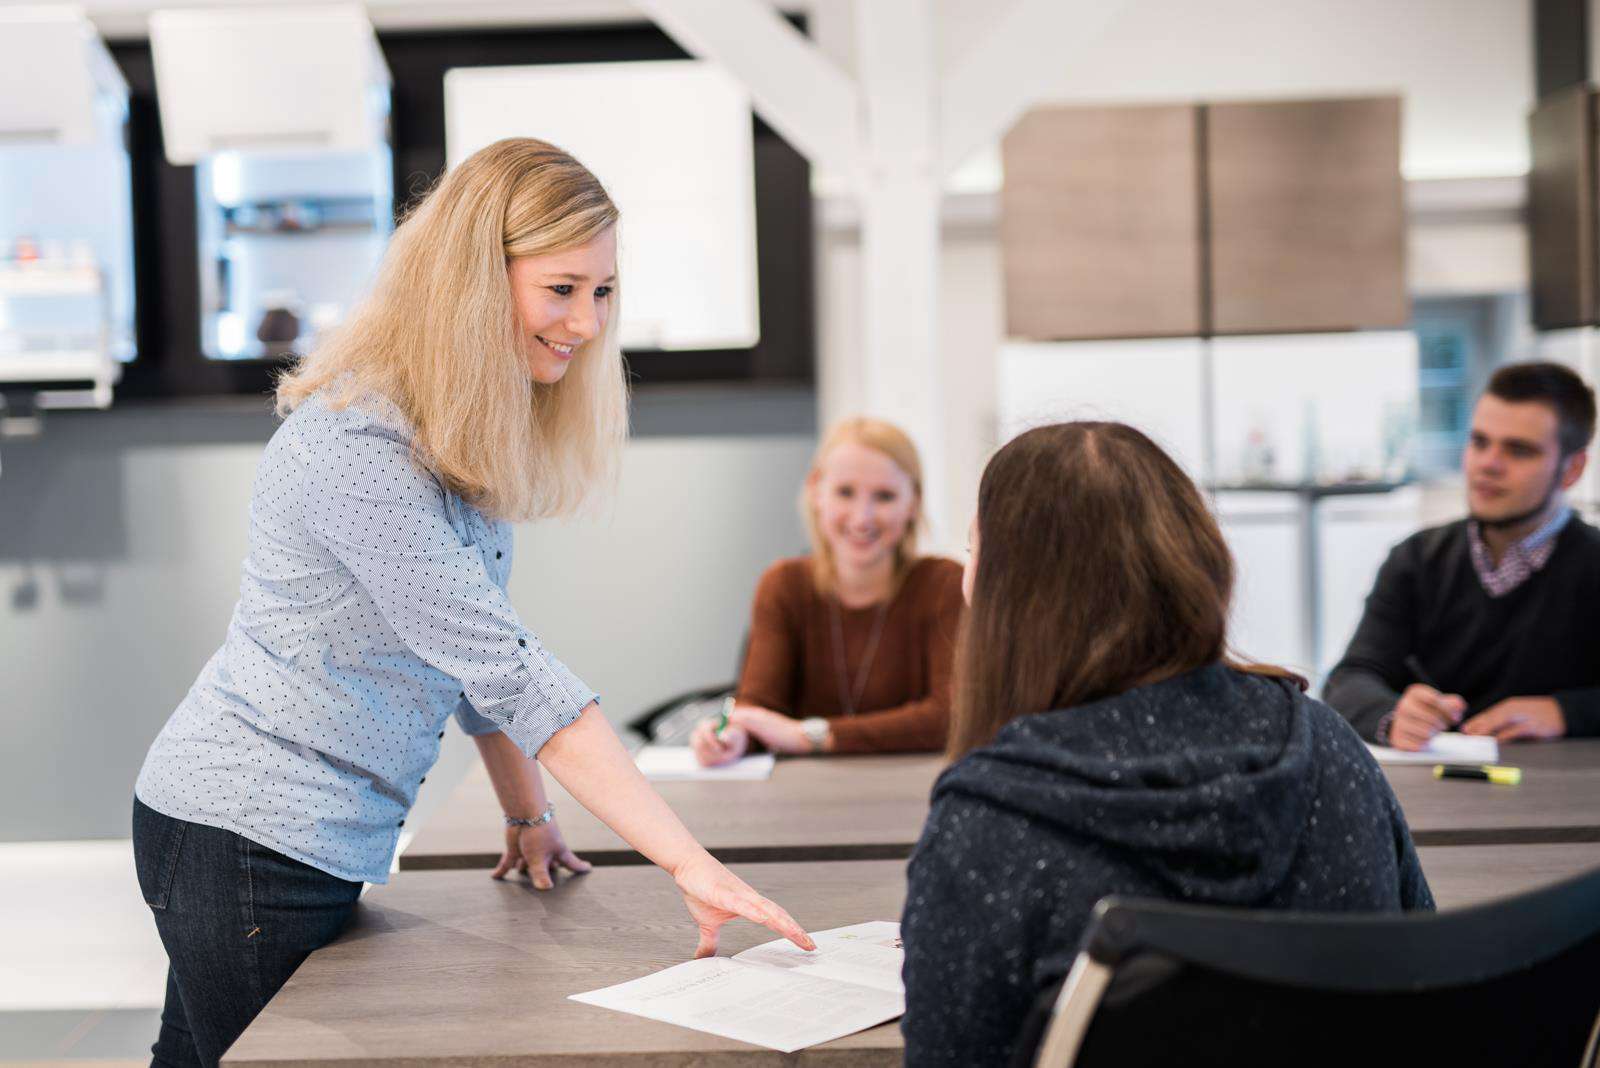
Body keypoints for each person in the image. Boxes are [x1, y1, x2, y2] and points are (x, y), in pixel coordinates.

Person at [131, 138, 812, 1068]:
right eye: (562, 288)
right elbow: (508, 666)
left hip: (305, 840)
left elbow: (468, 659)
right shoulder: (358, 444)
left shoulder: (452, 429)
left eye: (602, 290)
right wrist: (688, 864)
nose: (586, 320)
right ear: (475, 279)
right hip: (245, 835)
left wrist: (527, 815)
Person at [899, 422, 1433, 1067]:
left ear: (1005, 597)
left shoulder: (989, 829)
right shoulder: (1329, 748)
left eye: (973, 552)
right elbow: (1420, 981)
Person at [1324, 362, 1600, 749]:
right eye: (1479, 442)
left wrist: (1566, 712)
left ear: (1572, 469)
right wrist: (1394, 715)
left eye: (1518, 450)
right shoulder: (1416, 560)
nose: (1488, 464)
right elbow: (1350, 678)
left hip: (1565, 799)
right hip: (1444, 792)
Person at [690, 418, 963, 764]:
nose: (862, 518)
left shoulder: (944, 584)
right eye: (845, 492)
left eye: (884, 496)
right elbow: (759, 709)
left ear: (913, 502)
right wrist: (734, 736)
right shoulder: (784, 585)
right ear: (816, 491)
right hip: (805, 801)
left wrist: (809, 736)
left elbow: (951, 716)